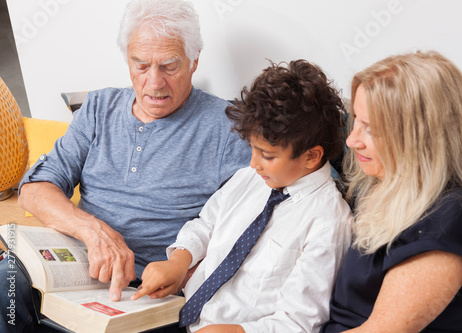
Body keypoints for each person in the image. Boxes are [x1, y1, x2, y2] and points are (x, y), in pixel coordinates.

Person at [1, 0, 251, 331]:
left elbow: (255, 219)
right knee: (6, 284)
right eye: (141, 65)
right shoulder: (98, 107)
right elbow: (35, 189)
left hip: (150, 292)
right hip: (75, 270)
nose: (154, 82)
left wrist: (188, 269)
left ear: (194, 60)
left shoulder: (230, 127)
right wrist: (95, 232)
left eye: (169, 66)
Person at [131, 59, 353, 333]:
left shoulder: (329, 222)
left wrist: (236, 331)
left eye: (268, 156)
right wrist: (179, 261)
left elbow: (298, 322)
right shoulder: (251, 179)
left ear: (311, 156)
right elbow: (206, 223)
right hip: (178, 315)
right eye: (253, 149)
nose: (253, 163)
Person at [321, 51, 462, 333]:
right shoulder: (377, 182)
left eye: (370, 129)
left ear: (421, 137)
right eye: (355, 119)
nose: (352, 140)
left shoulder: (449, 218)